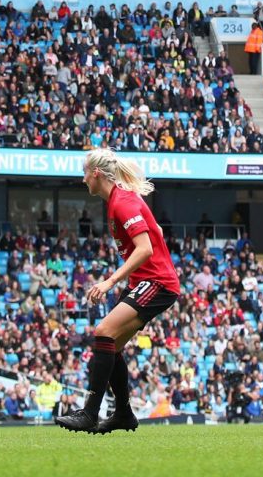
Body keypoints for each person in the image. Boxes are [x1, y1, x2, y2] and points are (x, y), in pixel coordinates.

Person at [55, 149, 180, 435]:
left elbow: (146, 248)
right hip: (147, 282)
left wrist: (109, 282)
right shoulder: (119, 200)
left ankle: (90, 413)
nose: (83, 178)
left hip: (158, 282)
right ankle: (123, 414)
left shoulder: (122, 202)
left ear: (96, 174)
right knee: (111, 346)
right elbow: (156, 231)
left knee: (103, 331)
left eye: (85, 172)